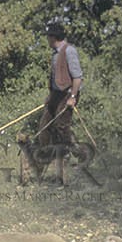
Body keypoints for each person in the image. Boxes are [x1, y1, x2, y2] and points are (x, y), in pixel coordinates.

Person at [38, 22, 83, 155]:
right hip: (56, 94)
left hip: (68, 94)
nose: (47, 40)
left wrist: (73, 97)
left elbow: (77, 77)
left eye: (48, 37)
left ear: (53, 37)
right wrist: (50, 96)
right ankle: (45, 154)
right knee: (44, 125)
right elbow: (55, 78)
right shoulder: (55, 54)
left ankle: (74, 153)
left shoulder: (69, 51)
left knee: (61, 125)